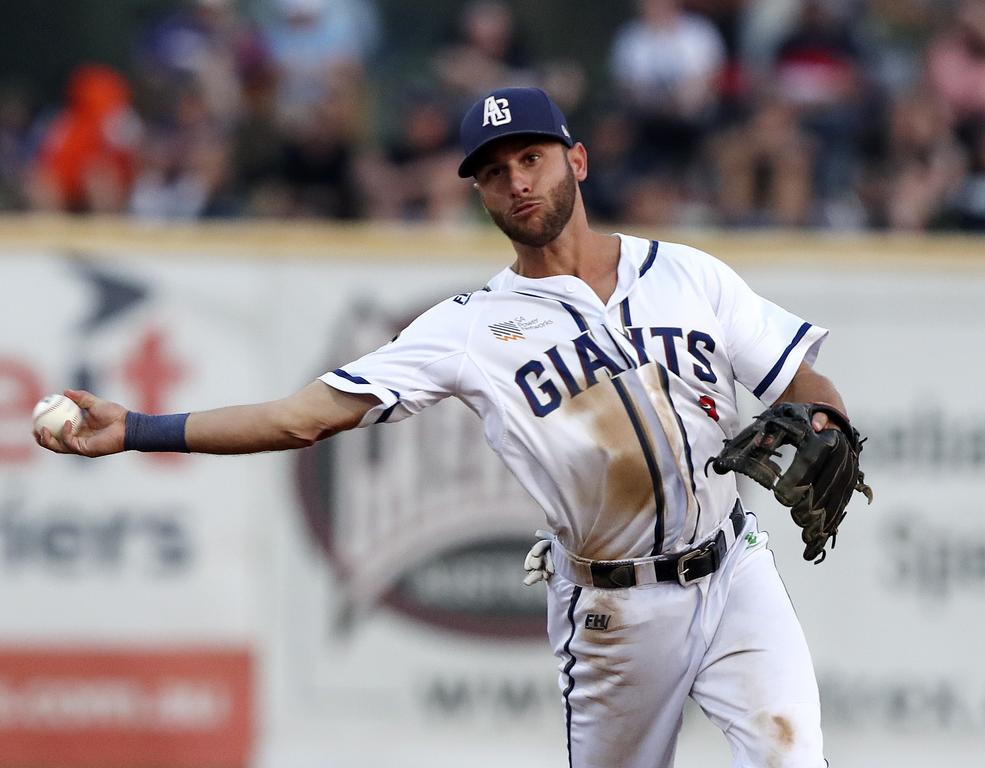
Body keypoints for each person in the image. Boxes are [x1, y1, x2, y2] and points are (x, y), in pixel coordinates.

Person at [37, 86, 847, 768]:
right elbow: (300, 420)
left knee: (792, 755)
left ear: (578, 160)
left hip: (736, 572)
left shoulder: (687, 274)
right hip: (614, 615)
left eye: (531, 157)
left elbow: (803, 377)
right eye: (494, 173)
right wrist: (140, 426)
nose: (517, 182)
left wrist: (828, 419)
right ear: (480, 196)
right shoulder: (469, 327)